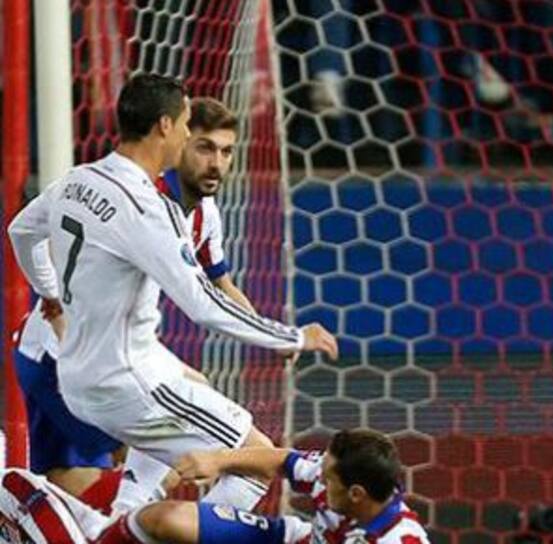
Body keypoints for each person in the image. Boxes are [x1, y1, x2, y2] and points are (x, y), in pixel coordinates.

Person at [6, 73, 338, 514]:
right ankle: (135, 530)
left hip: (78, 364)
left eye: (225, 150)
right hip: (110, 374)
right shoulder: (147, 209)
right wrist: (292, 336)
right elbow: (203, 304)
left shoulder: (78, 180)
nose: (191, 139)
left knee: (179, 400)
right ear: (165, 126)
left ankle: (119, 519)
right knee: (255, 463)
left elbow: (21, 230)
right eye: (188, 129)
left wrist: (49, 293)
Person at [1, 429, 429, 544]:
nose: (320, 477)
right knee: (162, 519)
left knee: (15, 484)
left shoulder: (399, 540)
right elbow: (280, 460)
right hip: (294, 539)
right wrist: (216, 460)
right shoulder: (338, 474)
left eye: (328, 478)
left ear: (357, 495)